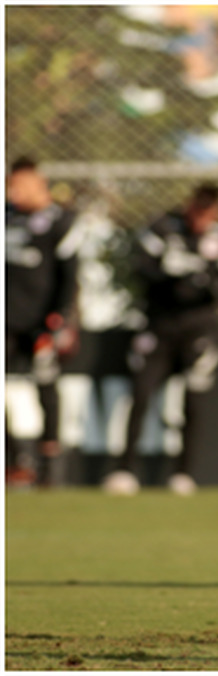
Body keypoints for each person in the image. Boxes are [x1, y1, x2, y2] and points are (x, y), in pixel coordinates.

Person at [102, 183, 218, 496]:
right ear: (189, 206)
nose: (201, 221)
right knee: (140, 394)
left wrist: (198, 278)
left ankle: (183, 474)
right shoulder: (163, 228)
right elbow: (142, 269)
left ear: (217, 213)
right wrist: (171, 275)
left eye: (209, 215)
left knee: (193, 402)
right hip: (159, 326)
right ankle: (125, 470)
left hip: (200, 330)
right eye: (198, 212)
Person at [5, 156, 82, 488]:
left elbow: (69, 277)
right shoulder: (6, 217)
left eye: (19, 186)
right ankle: (13, 461)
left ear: (38, 185)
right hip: (5, 320)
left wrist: (56, 322)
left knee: (46, 387)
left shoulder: (61, 222)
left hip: (41, 321)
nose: (12, 192)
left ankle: (50, 463)